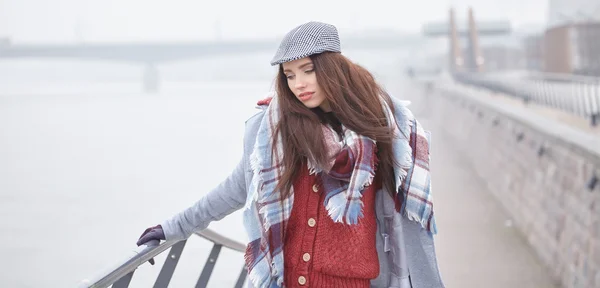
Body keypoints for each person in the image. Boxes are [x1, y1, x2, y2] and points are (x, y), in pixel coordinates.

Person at [136, 21, 444, 288]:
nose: (299, 84)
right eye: (290, 75)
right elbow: (235, 189)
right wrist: (172, 227)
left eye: (308, 71)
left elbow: (411, 221)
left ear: (331, 68)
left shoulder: (382, 127)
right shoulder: (274, 129)